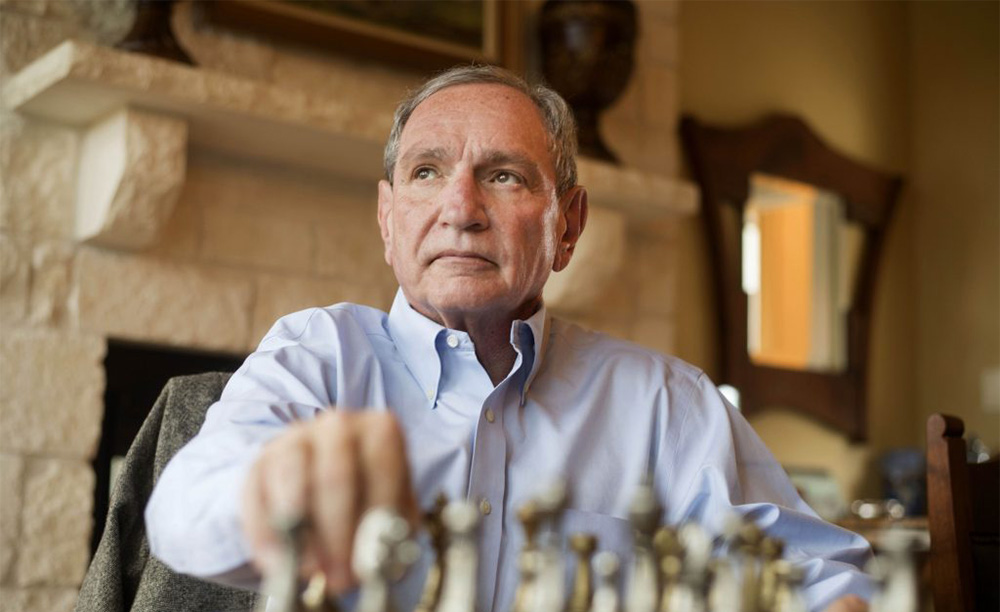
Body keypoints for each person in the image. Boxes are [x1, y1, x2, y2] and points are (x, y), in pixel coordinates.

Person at [145, 65, 872, 612]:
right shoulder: (319, 355)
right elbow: (181, 513)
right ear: (388, 219)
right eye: (426, 172)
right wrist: (270, 491)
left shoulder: (665, 402)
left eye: (503, 176)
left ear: (569, 226)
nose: (460, 209)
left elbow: (821, 580)